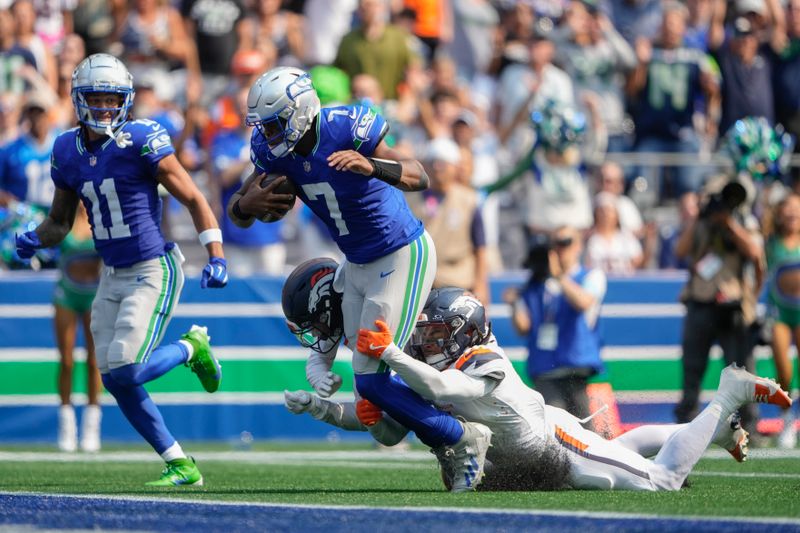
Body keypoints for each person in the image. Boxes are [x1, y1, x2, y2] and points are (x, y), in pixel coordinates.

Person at [300, 287, 791, 491]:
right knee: (619, 452)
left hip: (553, 444)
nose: (425, 339)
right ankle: (716, 433)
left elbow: (439, 382)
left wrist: (389, 354)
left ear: (461, 330)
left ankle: (728, 394)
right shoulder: (443, 359)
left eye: (434, 332)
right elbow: (391, 426)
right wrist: (329, 412)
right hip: (538, 439)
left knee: (657, 481)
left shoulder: (480, 359)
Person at [15, 54, 228, 486]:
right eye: (98, 98)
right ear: (79, 100)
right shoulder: (65, 151)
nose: (107, 108)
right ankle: (179, 462)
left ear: (127, 100)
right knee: (113, 377)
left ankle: (192, 347)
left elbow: (193, 197)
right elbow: (59, 221)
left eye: (114, 99)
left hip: (153, 268)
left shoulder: (142, 138)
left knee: (127, 368)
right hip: (111, 273)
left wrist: (216, 254)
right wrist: (35, 237)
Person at [280, 257, 492, 492]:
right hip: (418, 373)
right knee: (374, 400)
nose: (317, 335)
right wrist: (318, 394)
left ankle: (461, 439)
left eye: (316, 324)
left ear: (327, 305)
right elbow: (386, 433)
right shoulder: (347, 314)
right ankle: (454, 440)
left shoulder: (370, 300)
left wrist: (391, 356)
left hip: (461, 383)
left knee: (378, 386)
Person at [673, 174, 763, 436]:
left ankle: (750, 425)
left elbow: (755, 252)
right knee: (692, 368)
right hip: (700, 302)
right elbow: (680, 251)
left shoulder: (745, 221)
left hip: (732, 305)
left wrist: (729, 224)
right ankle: (684, 423)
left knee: (741, 371)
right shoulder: (701, 223)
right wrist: (700, 217)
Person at [505, 225, 606, 428]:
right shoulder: (537, 284)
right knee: (555, 428)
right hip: (545, 367)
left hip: (576, 365)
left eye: (565, 243)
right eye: (555, 244)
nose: (559, 249)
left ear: (578, 246)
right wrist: (515, 303)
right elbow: (523, 328)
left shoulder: (591, 276)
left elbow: (583, 302)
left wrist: (559, 275)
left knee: (586, 427)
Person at [55, 203, 102, 453]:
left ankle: (92, 427)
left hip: (94, 295)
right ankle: (66, 425)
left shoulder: (102, 221)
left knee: (94, 361)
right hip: (66, 294)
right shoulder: (62, 219)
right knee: (67, 360)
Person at [764, 193, 800, 448]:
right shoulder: (770, 241)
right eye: (787, 208)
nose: (792, 214)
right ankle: (786, 421)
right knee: (784, 371)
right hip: (779, 314)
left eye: (797, 209)